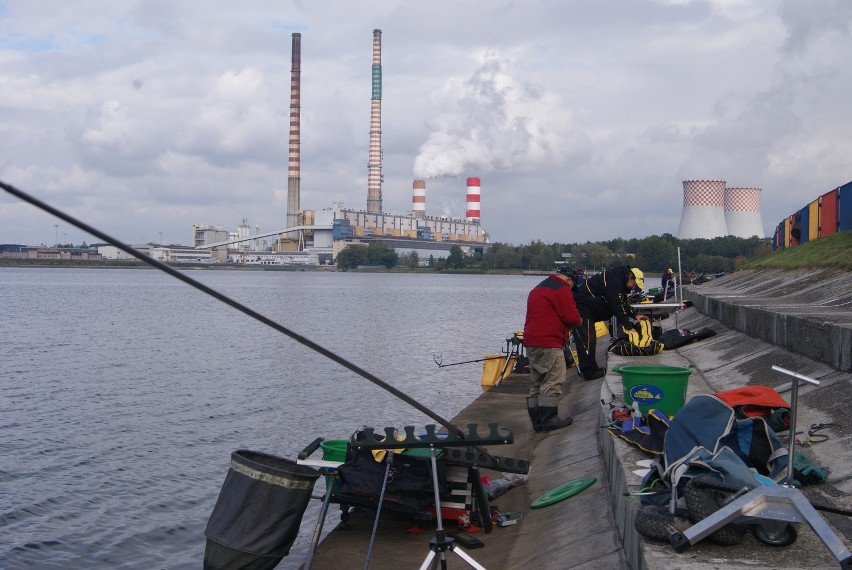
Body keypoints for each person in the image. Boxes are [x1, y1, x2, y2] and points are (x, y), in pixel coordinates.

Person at [523, 266, 582, 432]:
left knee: (537, 381)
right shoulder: (561, 290)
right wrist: (580, 322)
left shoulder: (538, 288)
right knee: (554, 378)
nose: (571, 289)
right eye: (572, 286)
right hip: (549, 341)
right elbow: (572, 317)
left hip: (531, 341)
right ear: (569, 280)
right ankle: (549, 419)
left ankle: (538, 422)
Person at [572, 266, 649, 380]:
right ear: (630, 277)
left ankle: (590, 369)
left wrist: (634, 315)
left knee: (590, 339)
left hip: (590, 307)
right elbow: (617, 305)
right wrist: (628, 327)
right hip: (582, 307)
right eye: (634, 284)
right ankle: (589, 372)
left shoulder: (619, 280)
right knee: (588, 340)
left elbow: (623, 301)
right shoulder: (614, 281)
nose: (634, 287)